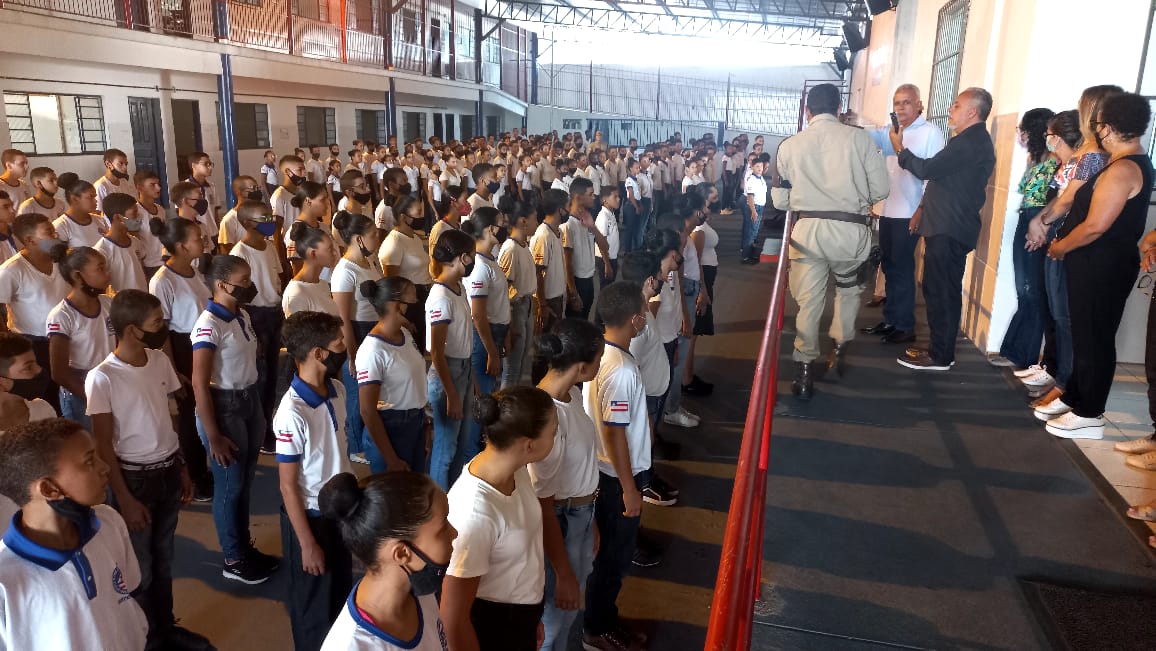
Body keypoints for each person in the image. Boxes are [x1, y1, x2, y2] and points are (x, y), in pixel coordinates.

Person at [86, 289, 213, 651]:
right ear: (131, 330)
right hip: (134, 478)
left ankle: (166, 627)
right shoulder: (103, 377)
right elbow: (103, 444)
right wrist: (124, 498)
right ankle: (148, 638)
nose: (163, 327)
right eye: (157, 322)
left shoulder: (158, 360)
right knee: (139, 565)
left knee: (164, 558)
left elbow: (167, 417)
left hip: (168, 470)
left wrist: (182, 465)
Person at [1040, 92, 1153, 440]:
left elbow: (1095, 226)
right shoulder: (1120, 162)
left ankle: (1090, 413)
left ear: (1109, 128)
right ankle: (1075, 396)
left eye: (1099, 123)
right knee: (1085, 335)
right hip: (1094, 263)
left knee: (1095, 339)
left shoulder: (1124, 169)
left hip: (1102, 266)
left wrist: (1060, 247)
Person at [772, 85, 890, 394]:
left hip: (807, 234)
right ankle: (839, 347)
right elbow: (881, 189)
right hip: (851, 233)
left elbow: (780, 200)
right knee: (848, 293)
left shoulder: (789, 146)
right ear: (839, 109)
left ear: (807, 111)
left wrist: (807, 197)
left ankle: (804, 370)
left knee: (809, 303)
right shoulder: (860, 139)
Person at [0, 418, 149, 650]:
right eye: (89, 461)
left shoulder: (108, 522)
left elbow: (126, 593)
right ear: (49, 489)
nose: (105, 467)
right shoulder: (6, 581)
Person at [888, 87, 996, 372]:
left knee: (942, 291)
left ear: (972, 112)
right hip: (945, 225)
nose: (950, 109)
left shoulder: (970, 142)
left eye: (957, 105)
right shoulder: (968, 141)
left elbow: (927, 169)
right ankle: (939, 350)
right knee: (937, 289)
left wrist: (899, 148)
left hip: (950, 227)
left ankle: (940, 356)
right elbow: (940, 177)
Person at [1024, 87, 1122, 397]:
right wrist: (1041, 221)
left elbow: (1069, 200)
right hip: (1060, 231)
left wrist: (1042, 221)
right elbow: (1063, 195)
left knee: (1066, 317)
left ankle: (1065, 382)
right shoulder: (1085, 151)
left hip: (1072, 236)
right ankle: (1059, 374)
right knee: (1057, 313)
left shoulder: (1094, 156)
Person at [441, 386, 555, 651]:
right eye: (553, 431)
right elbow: (453, 619)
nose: (556, 437)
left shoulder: (516, 469)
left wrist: (530, 616)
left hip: (518, 617)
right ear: (529, 444)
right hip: (493, 627)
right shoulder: (475, 513)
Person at [191, 254, 280, 584]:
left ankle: (244, 548)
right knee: (230, 485)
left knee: (244, 482)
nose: (249, 286)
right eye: (243, 281)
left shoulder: (240, 313)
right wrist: (213, 434)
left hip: (248, 399)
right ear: (221, 285)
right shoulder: (208, 325)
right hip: (224, 407)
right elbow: (199, 382)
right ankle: (233, 558)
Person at [276, 310, 354, 651]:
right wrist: (307, 543)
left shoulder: (337, 389)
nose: (345, 347)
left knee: (339, 596)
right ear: (319, 353)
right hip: (311, 519)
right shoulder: (292, 412)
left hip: (340, 513)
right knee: (313, 610)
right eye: (339, 342)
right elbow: (287, 486)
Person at [581, 281, 652, 650]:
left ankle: (602, 618)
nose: (646, 316)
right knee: (613, 561)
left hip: (606, 474)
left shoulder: (603, 354)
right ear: (634, 320)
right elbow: (614, 433)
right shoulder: (620, 369)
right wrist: (629, 489)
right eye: (643, 311)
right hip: (615, 479)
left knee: (609, 557)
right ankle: (597, 629)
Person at [318, 471, 456, 650]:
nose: (454, 533)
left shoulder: (418, 587)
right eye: (443, 528)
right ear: (402, 553)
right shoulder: (352, 646)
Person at [531, 319, 603, 650]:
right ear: (582, 366)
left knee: (568, 613)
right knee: (555, 617)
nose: (600, 365)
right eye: (599, 359)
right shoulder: (547, 416)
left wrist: (592, 520)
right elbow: (543, 505)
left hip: (580, 516)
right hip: (561, 523)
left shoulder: (571, 394)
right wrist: (561, 572)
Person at [863, 84, 946, 344]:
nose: (900, 107)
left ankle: (905, 325)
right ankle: (891, 319)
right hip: (889, 209)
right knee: (889, 266)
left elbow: (933, 178)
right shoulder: (891, 131)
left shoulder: (931, 133)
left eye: (907, 102)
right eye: (897, 103)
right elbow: (866, 138)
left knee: (901, 268)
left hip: (909, 212)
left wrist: (921, 211)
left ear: (919, 105)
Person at [991, 109, 1060, 371]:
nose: (1020, 134)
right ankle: (1013, 351)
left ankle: (1024, 355)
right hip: (1025, 218)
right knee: (1024, 289)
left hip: (1040, 221)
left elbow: (1059, 199)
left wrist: (1041, 223)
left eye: (1024, 129)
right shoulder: (1034, 157)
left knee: (1033, 290)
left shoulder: (1056, 160)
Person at [229, 199, 288, 455]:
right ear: (246, 223)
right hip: (255, 316)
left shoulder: (269, 247)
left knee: (273, 376)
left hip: (274, 313)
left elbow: (277, 279)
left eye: (270, 217)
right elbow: (238, 298)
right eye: (263, 219)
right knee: (261, 377)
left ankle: (267, 426)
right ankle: (261, 433)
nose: (270, 222)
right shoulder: (239, 253)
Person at [0, 213, 71, 412]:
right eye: (49, 232)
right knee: (47, 395)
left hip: (67, 337)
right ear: (30, 240)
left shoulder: (62, 261)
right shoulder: (12, 270)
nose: (56, 236)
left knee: (68, 388)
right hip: (36, 344)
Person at [331, 211, 385, 466]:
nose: (377, 239)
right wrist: (351, 354)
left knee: (374, 391)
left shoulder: (370, 262)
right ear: (358, 239)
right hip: (358, 333)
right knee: (357, 394)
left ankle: (371, 438)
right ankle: (355, 446)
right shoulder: (344, 271)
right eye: (373, 235)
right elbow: (343, 319)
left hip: (375, 331)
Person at [357, 277, 425, 474]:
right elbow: (367, 410)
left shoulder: (406, 334)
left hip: (415, 422)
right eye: (413, 300)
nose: (417, 305)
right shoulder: (373, 351)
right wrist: (391, 459)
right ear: (396, 306)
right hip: (392, 427)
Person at [426, 229, 477, 491]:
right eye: (471, 256)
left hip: (463, 369)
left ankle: (454, 498)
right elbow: (436, 352)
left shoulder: (458, 288)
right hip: (447, 373)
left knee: (461, 443)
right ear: (460, 258)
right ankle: (439, 501)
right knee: (445, 449)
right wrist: (451, 395)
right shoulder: (441, 297)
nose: (473, 261)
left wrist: (471, 379)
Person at [46, 246, 114, 428]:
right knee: (90, 439)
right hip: (80, 388)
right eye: (100, 269)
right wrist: (95, 398)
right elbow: (59, 373)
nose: (107, 274)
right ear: (77, 276)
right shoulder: (62, 315)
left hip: (109, 379)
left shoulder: (108, 304)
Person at [464, 207, 512, 453]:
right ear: (490, 229)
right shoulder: (479, 267)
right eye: (501, 223)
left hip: (495, 334)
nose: (504, 227)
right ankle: (473, 452)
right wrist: (492, 351)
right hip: (484, 338)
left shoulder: (490, 259)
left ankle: (481, 446)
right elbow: (478, 315)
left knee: (490, 393)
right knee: (482, 400)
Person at [379, 195, 433, 351]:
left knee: (422, 344)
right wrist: (401, 317)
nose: (422, 216)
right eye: (418, 212)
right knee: (413, 347)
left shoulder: (413, 237)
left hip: (422, 297)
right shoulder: (394, 243)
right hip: (408, 303)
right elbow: (392, 286)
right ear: (404, 217)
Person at [530, 190, 569, 383]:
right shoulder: (543, 236)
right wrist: (543, 304)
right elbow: (538, 273)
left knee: (553, 343)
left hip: (556, 297)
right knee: (543, 347)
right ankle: (538, 384)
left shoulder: (557, 232)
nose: (569, 209)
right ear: (560, 209)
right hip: (547, 300)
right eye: (567, 206)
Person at [499, 202, 539, 389]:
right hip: (516, 309)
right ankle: (505, 402)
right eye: (534, 219)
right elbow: (503, 290)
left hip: (526, 305)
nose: (537, 223)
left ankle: (514, 399)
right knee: (512, 367)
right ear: (523, 221)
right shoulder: (511, 249)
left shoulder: (523, 245)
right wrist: (509, 325)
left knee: (521, 361)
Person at [562, 178, 612, 320]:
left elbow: (605, 246)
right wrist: (573, 293)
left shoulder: (587, 219)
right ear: (578, 197)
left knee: (584, 319)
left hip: (589, 278)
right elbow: (567, 263)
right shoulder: (568, 225)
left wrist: (593, 227)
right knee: (575, 323)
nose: (594, 197)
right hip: (577, 282)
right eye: (590, 194)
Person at [93, 192, 148, 293]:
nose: (139, 217)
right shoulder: (101, 251)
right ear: (118, 217)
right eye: (134, 213)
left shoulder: (135, 242)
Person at [283, 222, 341, 317]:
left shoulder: (323, 284)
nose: (335, 253)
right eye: (330, 249)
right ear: (313, 254)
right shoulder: (296, 294)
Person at [285, 180, 332, 263]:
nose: (328, 203)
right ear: (308, 201)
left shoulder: (324, 227)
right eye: (323, 199)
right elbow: (298, 269)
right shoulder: (296, 233)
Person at [133, 170, 167, 278]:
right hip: (148, 265)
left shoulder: (160, 209)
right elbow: (133, 241)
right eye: (152, 185)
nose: (158, 188)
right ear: (140, 188)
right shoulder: (134, 212)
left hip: (164, 261)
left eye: (158, 184)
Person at [55, 178, 107, 248]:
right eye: (91, 197)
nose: (95, 201)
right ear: (75, 199)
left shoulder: (100, 220)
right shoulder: (61, 226)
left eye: (95, 197)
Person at [218, 176, 265, 251]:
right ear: (239, 192)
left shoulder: (260, 214)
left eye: (257, 188)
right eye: (253, 188)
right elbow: (226, 251)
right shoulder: (229, 220)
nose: (257, 192)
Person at [594, 186, 621, 288]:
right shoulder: (603, 217)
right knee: (605, 288)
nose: (618, 199)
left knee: (610, 285)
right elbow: (601, 242)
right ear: (605, 200)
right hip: (604, 258)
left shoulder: (611, 213)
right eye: (615, 197)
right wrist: (607, 265)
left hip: (611, 256)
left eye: (618, 196)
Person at [94, 148, 133, 213]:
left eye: (126, 164)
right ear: (108, 164)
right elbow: (99, 212)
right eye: (120, 163)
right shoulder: (100, 186)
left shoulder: (124, 181)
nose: (125, 168)